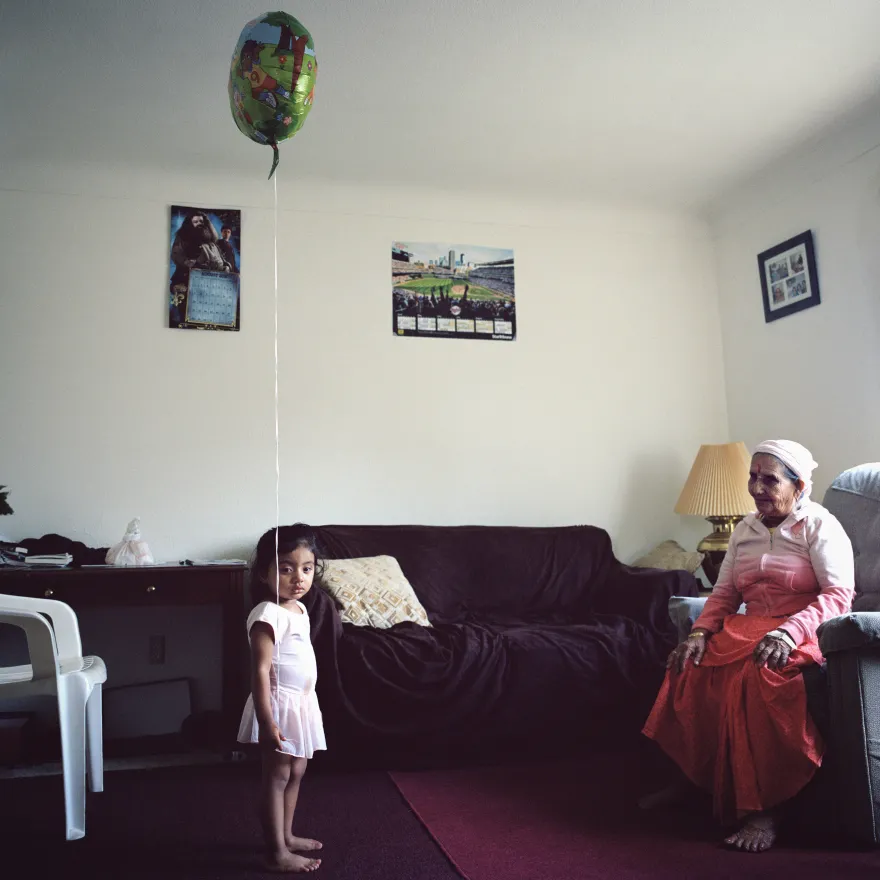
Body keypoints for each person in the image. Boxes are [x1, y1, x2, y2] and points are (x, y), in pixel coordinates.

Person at [642, 440, 854, 852]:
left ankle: (765, 807)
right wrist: (700, 633)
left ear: (799, 485)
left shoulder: (819, 526)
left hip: (803, 629)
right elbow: (723, 593)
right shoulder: (746, 528)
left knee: (755, 679)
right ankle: (693, 779)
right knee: (688, 665)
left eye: (769, 479)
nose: (757, 487)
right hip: (748, 625)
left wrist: (789, 632)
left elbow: (837, 596)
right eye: (753, 477)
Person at [238, 524, 327, 872]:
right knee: (277, 775)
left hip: (302, 702)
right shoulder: (267, 613)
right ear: (265, 573)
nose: (298, 578)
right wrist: (266, 719)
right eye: (286, 569)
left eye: (307, 568)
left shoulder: (299, 610)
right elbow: (260, 670)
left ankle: (286, 835)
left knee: (297, 770)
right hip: (279, 704)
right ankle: (276, 851)